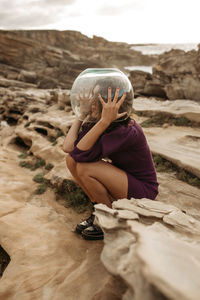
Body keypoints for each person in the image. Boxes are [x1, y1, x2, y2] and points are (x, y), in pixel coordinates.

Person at [63, 82, 159, 241]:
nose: (92, 102)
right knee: (71, 161)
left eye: (97, 99)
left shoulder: (125, 130)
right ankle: (98, 210)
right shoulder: (104, 124)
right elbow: (69, 149)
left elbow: (80, 153)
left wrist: (103, 121)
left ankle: (108, 219)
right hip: (124, 180)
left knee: (85, 168)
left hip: (143, 190)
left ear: (111, 104)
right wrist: (81, 115)